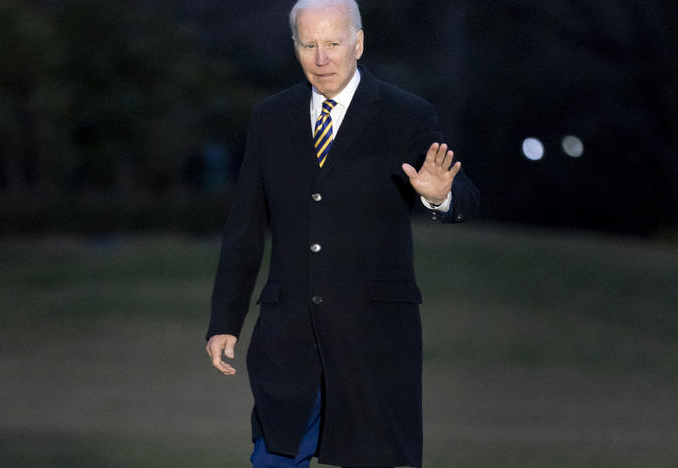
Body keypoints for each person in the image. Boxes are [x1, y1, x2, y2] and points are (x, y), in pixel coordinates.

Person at [205, 1, 479, 466]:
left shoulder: (405, 114)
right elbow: (245, 228)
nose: (321, 58)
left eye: (333, 43)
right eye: (309, 44)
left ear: (359, 42)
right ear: (295, 47)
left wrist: (439, 195)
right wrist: (225, 321)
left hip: (373, 344)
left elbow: (467, 198)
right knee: (272, 458)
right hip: (289, 339)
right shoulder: (271, 118)